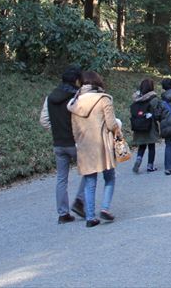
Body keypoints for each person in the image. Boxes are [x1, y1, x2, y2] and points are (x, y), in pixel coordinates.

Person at [67, 71, 120, 228]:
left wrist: (79, 142)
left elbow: (75, 130)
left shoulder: (75, 103)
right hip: (103, 144)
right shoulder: (104, 99)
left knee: (90, 181)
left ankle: (90, 217)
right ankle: (104, 208)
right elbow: (111, 124)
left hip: (85, 145)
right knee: (110, 177)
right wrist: (118, 127)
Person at [39, 66, 86, 224]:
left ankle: (63, 214)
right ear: (76, 80)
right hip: (76, 143)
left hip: (58, 143)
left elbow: (44, 120)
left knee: (61, 179)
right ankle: (80, 200)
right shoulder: (77, 97)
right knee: (90, 171)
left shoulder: (50, 97)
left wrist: (58, 128)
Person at [130, 78, 159, 173]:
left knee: (142, 146)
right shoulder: (153, 99)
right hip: (150, 125)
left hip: (138, 125)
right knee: (151, 146)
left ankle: (138, 159)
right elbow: (157, 112)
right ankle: (150, 166)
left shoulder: (136, 99)